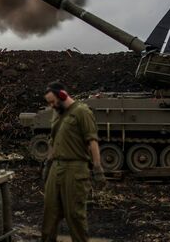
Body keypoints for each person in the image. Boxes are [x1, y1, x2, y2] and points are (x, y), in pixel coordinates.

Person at [41, 81, 105, 242]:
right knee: (50, 213)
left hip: (75, 168)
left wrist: (97, 169)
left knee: (74, 215)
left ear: (62, 95)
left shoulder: (82, 112)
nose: (51, 105)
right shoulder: (57, 113)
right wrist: (48, 165)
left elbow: (92, 141)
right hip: (56, 167)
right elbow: (52, 140)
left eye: (52, 101)